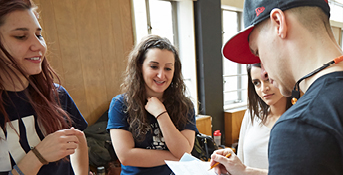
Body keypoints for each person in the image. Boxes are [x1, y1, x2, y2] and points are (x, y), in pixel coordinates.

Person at [212, 0, 343, 174]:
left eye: (258, 52)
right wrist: (245, 172)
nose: (263, 70)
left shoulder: (300, 125)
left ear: (279, 23)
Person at [0, 0, 89, 174]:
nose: (39, 46)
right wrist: (38, 156)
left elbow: (79, 139)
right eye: (20, 36)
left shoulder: (57, 94)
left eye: (39, 35)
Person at [107, 35, 198, 175]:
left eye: (168, 68)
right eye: (154, 66)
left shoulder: (185, 105)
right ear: (140, 67)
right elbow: (126, 156)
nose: (161, 75)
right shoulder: (120, 104)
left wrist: (161, 114)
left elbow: (184, 151)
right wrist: (176, 157)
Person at [215, 63, 292, 173]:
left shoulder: (302, 121)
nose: (263, 89)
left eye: (268, 80)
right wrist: (229, 165)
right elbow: (240, 163)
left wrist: (245, 171)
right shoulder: (252, 115)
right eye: (256, 83)